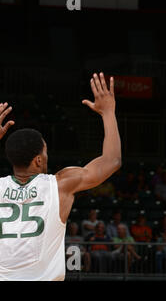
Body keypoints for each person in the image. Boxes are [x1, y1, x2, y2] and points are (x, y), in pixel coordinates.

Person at [0, 72, 121, 281]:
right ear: (38, 160)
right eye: (45, 152)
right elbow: (112, 161)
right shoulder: (60, 184)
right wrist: (108, 113)